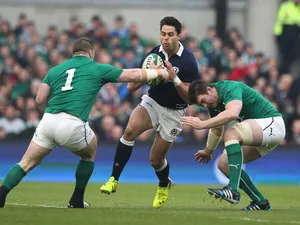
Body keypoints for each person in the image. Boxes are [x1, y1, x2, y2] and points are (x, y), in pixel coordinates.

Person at [0, 37, 170, 208]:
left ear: (73, 53)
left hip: (48, 121)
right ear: (91, 53)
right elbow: (131, 75)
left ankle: (1, 193)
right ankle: (76, 199)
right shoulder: (96, 68)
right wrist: (158, 73)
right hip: (72, 123)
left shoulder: (55, 70)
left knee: (26, 162)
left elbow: (39, 99)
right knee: (89, 152)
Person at [100, 16, 199, 208]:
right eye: (163, 34)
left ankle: (164, 183)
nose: (166, 39)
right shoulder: (153, 55)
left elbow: (190, 99)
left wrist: (174, 79)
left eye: (170, 35)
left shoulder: (188, 62)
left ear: (179, 35)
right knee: (130, 130)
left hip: (175, 111)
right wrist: (150, 73)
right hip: (153, 102)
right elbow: (131, 87)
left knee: (155, 160)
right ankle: (113, 179)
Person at [183, 80, 286, 210]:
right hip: (260, 133)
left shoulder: (229, 88)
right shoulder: (213, 103)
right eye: (201, 104)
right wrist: (208, 150)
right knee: (223, 164)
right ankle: (260, 202)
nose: (204, 105)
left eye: (203, 101)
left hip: (272, 124)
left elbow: (233, 113)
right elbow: (216, 128)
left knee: (231, 133)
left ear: (209, 90)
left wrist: (202, 124)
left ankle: (232, 190)